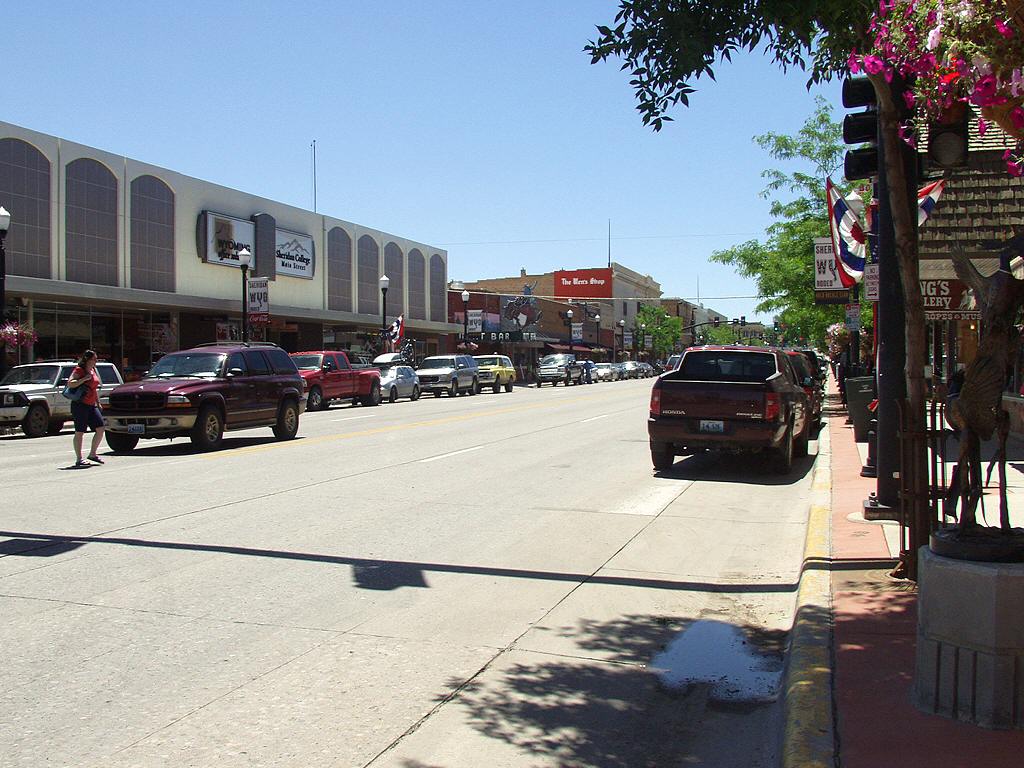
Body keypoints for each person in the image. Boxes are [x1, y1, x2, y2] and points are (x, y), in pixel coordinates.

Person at [67, 349, 105, 467]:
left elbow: (93, 388)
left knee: (100, 428)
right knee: (80, 431)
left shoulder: (93, 370)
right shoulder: (79, 370)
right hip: (80, 405)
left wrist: (98, 403)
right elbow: (70, 383)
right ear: (87, 359)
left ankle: (93, 454)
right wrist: (83, 379)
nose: (96, 361)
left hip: (91, 405)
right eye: (94, 359)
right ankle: (79, 458)